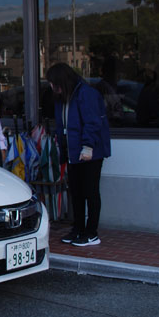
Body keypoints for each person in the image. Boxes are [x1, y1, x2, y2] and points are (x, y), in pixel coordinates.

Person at [47, 63, 111, 247]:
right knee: (76, 192)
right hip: (73, 151)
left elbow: (92, 123)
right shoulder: (64, 97)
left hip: (89, 152)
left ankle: (91, 232)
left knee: (90, 192)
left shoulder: (86, 94)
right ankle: (78, 229)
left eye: (53, 83)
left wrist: (88, 146)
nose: (52, 87)